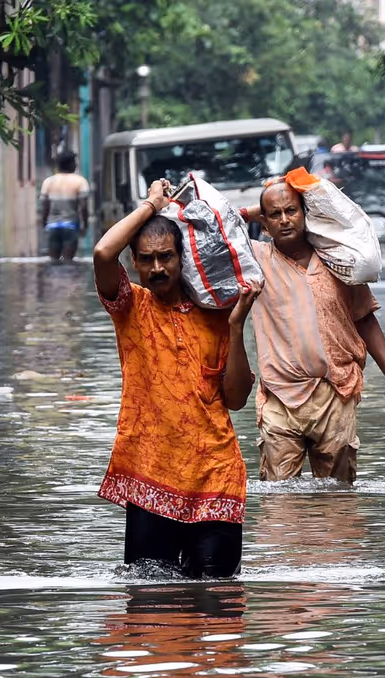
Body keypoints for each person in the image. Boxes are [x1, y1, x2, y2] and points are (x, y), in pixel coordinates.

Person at [93, 178, 262, 579]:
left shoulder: (218, 314)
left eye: (166, 257)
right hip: (151, 474)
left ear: (181, 257)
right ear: (133, 262)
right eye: (147, 259)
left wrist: (237, 327)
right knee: (153, 609)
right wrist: (152, 205)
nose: (157, 268)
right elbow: (102, 252)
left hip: (215, 474)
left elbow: (235, 399)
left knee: (220, 606)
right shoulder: (131, 307)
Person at [239, 179, 385, 484]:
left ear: (306, 214)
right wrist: (253, 212)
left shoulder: (339, 261)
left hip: (336, 391)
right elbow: (213, 230)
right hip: (280, 396)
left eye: (291, 210)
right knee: (280, 502)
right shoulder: (255, 261)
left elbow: (365, 319)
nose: (284, 220)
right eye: (275, 214)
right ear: (265, 225)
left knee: (338, 498)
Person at [39, 150, 90, 263]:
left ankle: (54, 280)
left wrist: (44, 224)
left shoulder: (48, 182)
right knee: (68, 262)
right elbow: (83, 207)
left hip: (52, 226)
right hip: (70, 226)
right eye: (75, 162)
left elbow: (45, 207)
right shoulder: (80, 182)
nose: (76, 165)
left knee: (53, 262)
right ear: (71, 164)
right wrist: (85, 225)